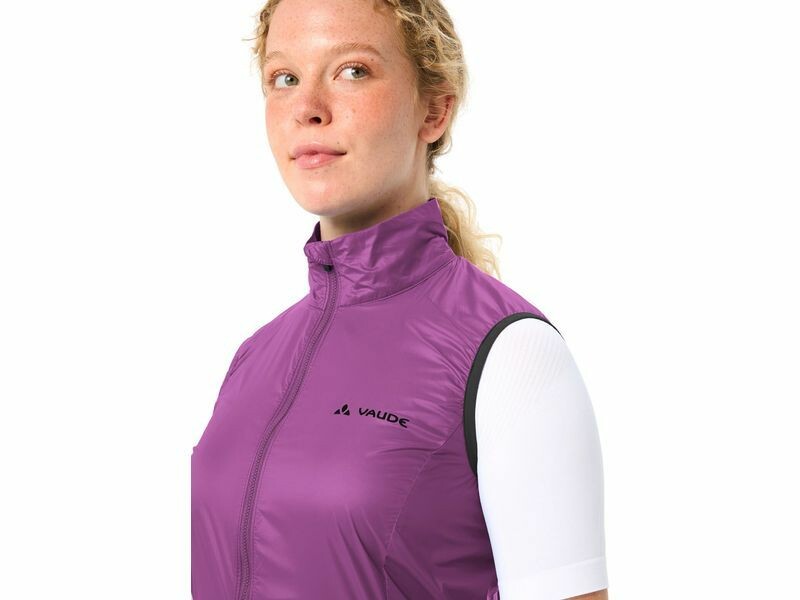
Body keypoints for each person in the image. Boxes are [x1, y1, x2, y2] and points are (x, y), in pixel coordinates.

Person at [191, 0, 609, 598]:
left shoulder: (510, 355)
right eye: (285, 78)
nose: (308, 108)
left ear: (434, 109)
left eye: (352, 70)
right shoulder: (253, 358)